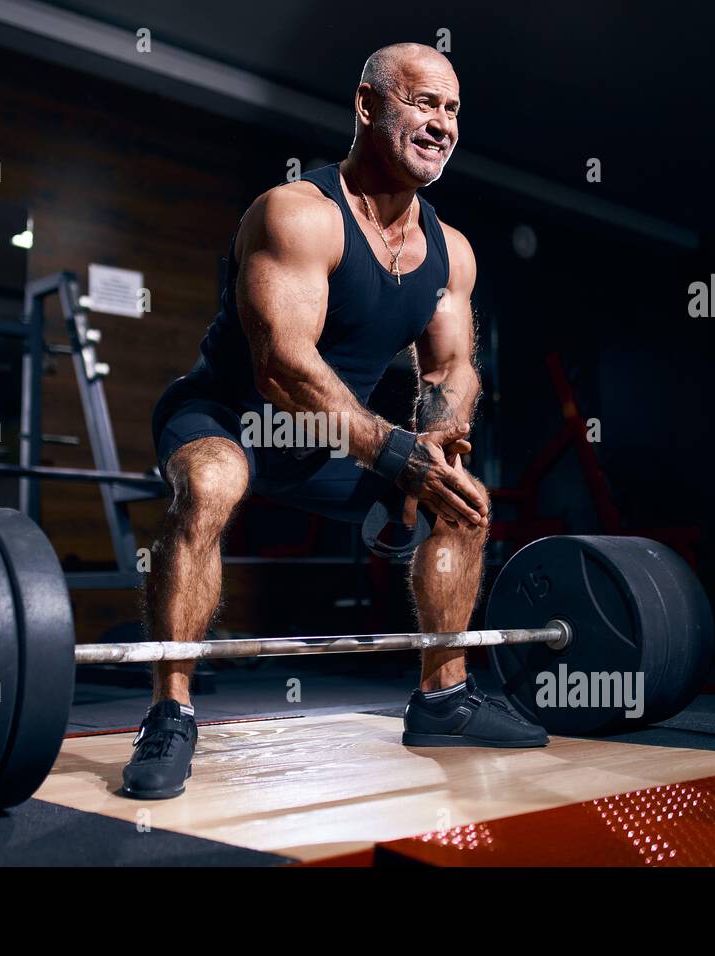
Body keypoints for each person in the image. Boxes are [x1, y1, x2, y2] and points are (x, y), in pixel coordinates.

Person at [124, 42, 547, 800]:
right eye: (423, 102)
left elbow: (450, 369)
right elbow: (281, 367)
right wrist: (393, 456)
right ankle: (170, 712)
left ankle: (444, 697)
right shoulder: (296, 213)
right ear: (367, 105)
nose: (441, 123)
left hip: (332, 435)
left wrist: (436, 450)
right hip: (229, 415)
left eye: (452, 110)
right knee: (213, 484)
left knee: (462, 504)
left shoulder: (450, 252)